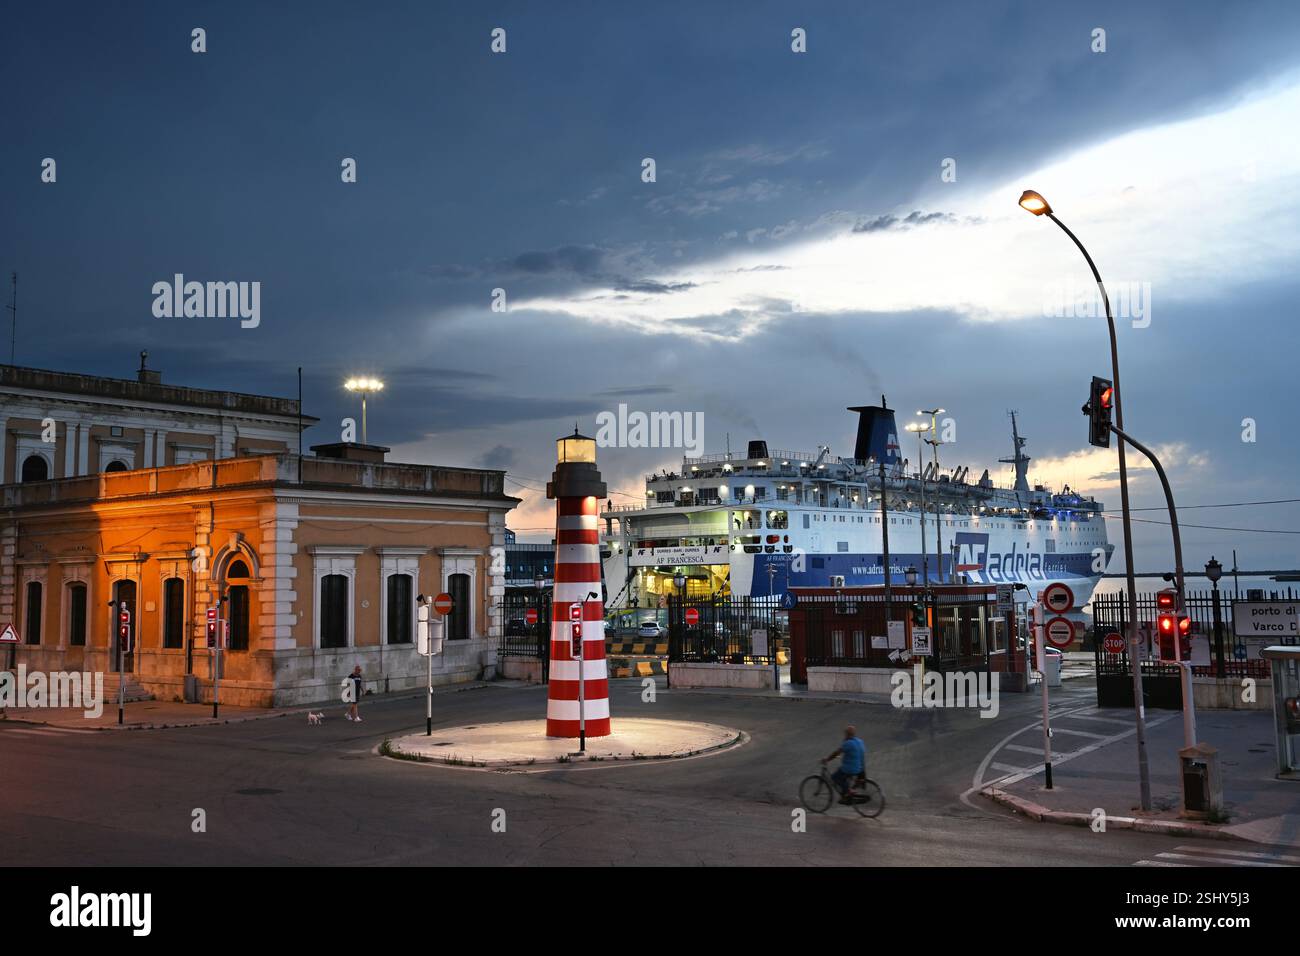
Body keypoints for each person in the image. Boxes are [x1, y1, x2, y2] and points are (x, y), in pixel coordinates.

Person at [823, 725, 866, 804]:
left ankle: (847, 793)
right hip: (860, 768)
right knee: (843, 775)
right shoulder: (860, 741)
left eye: (845, 734)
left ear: (847, 734)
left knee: (834, 777)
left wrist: (827, 759)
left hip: (850, 768)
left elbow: (836, 753)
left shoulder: (848, 743)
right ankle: (846, 794)